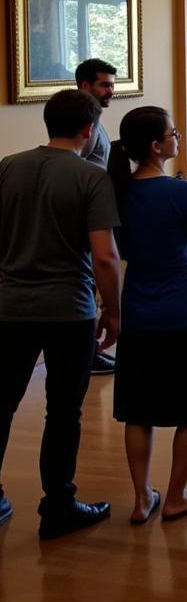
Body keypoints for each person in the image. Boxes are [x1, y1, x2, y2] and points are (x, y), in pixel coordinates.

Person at [0, 90, 121, 539]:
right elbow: (105, 257)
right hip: (69, 308)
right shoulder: (91, 176)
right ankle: (58, 505)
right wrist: (113, 311)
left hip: (10, 306)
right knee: (63, 411)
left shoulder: (8, 167)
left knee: (2, 404)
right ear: (89, 130)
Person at [108, 107, 187, 524]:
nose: (177, 138)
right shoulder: (179, 192)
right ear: (157, 146)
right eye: (173, 133)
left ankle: (142, 498)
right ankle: (175, 495)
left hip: (138, 311)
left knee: (137, 411)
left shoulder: (117, 191)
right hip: (183, 312)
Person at [76, 57, 119, 375]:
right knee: (88, 280)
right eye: (105, 85)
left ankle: (89, 350)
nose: (110, 91)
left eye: (112, 85)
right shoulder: (82, 124)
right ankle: (86, 353)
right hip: (85, 212)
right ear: (85, 86)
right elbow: (77, 167)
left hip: (95, 206)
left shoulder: (95, 120)